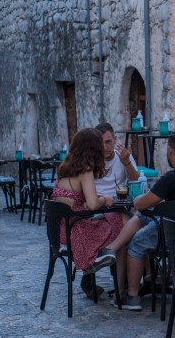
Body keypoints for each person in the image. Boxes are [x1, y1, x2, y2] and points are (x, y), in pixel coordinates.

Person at [98, 131, 175, 311]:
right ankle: (114, 249)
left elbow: (140, 203)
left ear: (170, 151)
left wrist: (139, 199)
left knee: (136, 243)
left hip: (174, 234)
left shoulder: (172, 178)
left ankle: (133, 296)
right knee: (142, 218)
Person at [50, 128, 126, 301]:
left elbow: (72, 199)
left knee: (114, 222)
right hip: (78, 231)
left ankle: (95, 267)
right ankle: (120, 288)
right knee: (122, 228)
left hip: (62, 229)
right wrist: (105, 200)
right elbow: (92, 204)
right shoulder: (86, 170)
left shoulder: (65, 168)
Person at [93, 122, 140, 199]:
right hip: (96, 203)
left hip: (117, 202)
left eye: (108, 142)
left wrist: (127, 163)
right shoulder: (90, 158)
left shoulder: (124, 156)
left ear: (115, 139)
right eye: (100, 143)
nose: (104, 148)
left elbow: (136, 182)